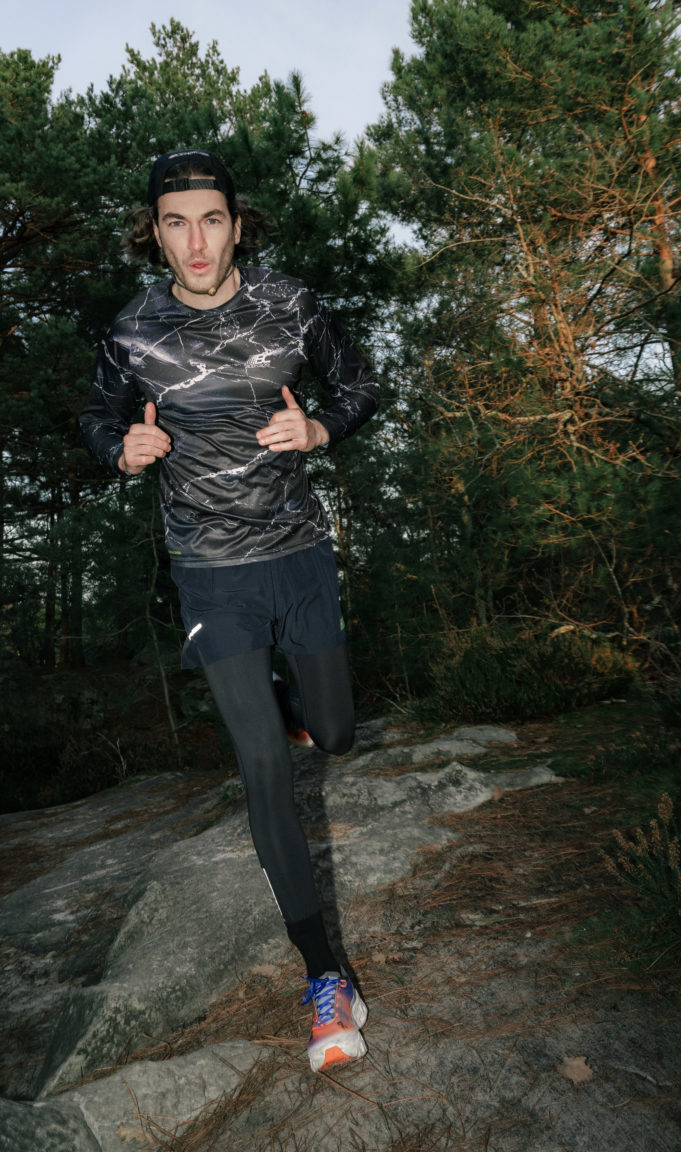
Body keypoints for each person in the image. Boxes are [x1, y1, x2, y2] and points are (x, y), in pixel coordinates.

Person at [80, 148, 378, 1073]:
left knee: (334, 736)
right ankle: (325, 980)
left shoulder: (291, 305)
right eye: (176, 223)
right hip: (210, 572)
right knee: (264, 769)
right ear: (155, 233)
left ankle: (295, 706)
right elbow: (95, 417)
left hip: (298, 555)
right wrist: (120, 447)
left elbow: (363, 386)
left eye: (212, 219)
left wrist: (319, 427)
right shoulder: (133, 331)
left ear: (237, 226)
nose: (196, 241)